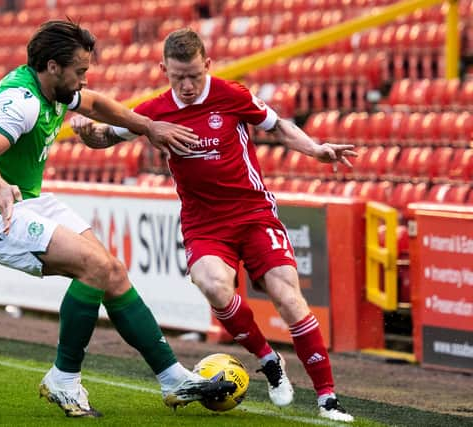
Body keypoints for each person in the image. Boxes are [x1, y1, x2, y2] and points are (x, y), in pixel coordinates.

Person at [70, 28, 357, 423]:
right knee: (211, 284)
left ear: (207, 65)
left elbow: (277, 125)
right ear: (163, 70)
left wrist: (316, 149)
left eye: (194, 75)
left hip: (254, 214)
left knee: (287, 298)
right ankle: (268, 359)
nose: (187, 86)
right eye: (177, 77)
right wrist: (87, 134)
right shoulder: (154, 112)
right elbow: (106, 136)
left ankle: (327, 399)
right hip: (205, 224)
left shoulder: (232, 95)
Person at [0, 21, 235, 418]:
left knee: (114, 272)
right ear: (53, 66)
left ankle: (174, 379)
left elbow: (99, 105)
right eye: (80, 72)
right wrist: (1, 189)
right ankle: (64, 379)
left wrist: (148, 127)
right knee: (94, 266)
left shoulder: (54, 87)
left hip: (29, 201)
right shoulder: (22, 101)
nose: (85, 79)